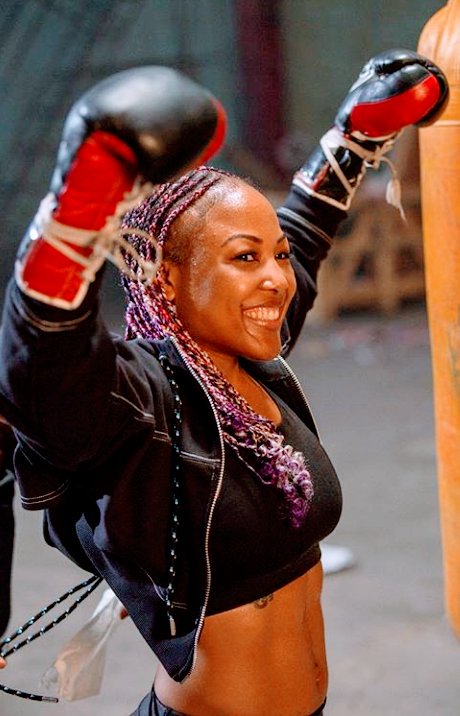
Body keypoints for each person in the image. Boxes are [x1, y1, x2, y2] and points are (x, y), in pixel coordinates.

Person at [0, 51, 447, 715]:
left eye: (278, 257)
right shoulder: (144, 398)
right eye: (244, 257)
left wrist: (353, 140)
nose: (276, 278)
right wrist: (74, 222)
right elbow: (45, 365)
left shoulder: (252, 357)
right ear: (167, 277)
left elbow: (306, 228)